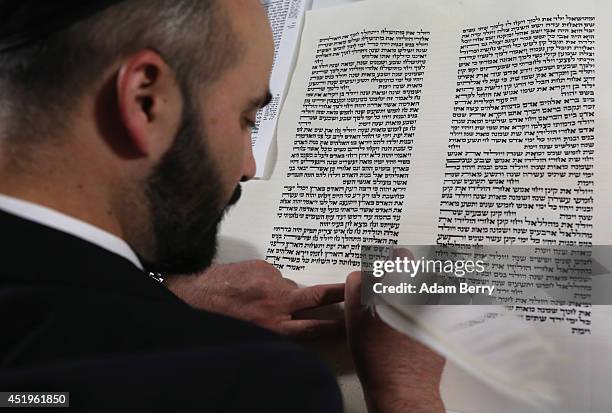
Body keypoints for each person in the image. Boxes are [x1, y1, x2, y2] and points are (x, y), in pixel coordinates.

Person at [0, 0, 445, 411]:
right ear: (146, 102)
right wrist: (403, 388)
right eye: (246, 119)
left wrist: (161, 301)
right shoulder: (244, 384)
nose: (249, 166)